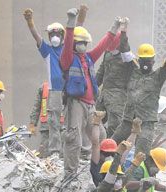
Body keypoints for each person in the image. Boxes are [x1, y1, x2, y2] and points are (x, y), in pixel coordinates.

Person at [59, 7, 124, 177]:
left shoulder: (87, 58)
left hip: (90, 106)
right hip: (76, 104)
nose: (84, 46)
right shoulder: (67, 58)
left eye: (85, 43)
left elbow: (103, 46)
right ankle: (70, 174)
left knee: (101, 136)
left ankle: (102, 168)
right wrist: (71, 23)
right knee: (74, 138)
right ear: (74, 44)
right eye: (81, 43)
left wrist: (114, 27)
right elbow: (66, 44)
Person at [110, 30, 166, 159]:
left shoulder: (158, 77)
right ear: (139, 59)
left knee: (141, 152)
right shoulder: (132, 71)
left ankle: (141, 175)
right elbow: (125, 52)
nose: (146, 63)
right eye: (143, 60)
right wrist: (124, 32)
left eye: (149, 61)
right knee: (111, 145)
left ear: (153, 61)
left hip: (146, 123)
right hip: (127, 121)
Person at [22, 9, 75, 158]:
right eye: (52, 34)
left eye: (58, 34)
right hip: (55, 91)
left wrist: (78, 17)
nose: (55, 37)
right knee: (54, 122)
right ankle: (55, 152)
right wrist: (30, 22)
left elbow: (74, 35)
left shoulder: (68, 49)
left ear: (63, 36)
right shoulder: (47, 51)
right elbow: (37, 37)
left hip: (70, 91)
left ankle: (69, 152)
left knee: (70, 123)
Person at [94, 25, 134, 137]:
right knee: (95, 120)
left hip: (119, 95)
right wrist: (93, 87)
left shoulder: (127, 58)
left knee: (115, 123)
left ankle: (113, 147)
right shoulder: (107, 53)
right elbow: (101, 71)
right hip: (104, 94)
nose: (112, 51)